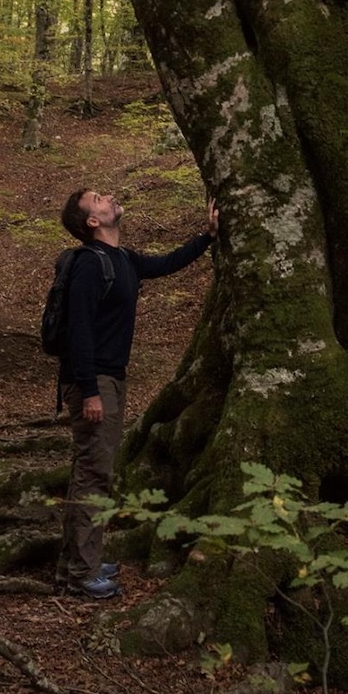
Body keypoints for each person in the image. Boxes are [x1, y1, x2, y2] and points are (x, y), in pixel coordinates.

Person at [55, 186, 219, 598]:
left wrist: (208, 236)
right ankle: (81, 574)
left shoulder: (123, 259)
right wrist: (90, 392)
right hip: (94, 382)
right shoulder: (90, 266)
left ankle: (79, 561)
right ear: (92, 221)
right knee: (95, 474)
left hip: (110, 379)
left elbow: (167, 263)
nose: (108, 198)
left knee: (91, 472)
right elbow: (78, 331)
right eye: (98, 199)